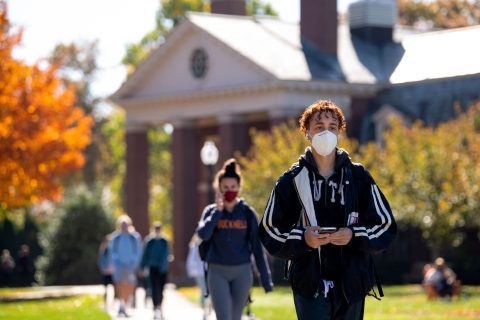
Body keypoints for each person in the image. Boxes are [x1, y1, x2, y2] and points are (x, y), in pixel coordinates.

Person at [258, 100, 397, 320]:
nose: (326, 133)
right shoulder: (291, 180)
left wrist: (354, 235)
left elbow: (385, 225)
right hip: (308, 282)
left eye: (332, 127)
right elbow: (270, 229)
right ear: (306, 132)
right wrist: (304, 239)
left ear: (340, 133)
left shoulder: (359, 176)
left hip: (352, 283)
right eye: (319, 127)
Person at [197, 158, 273, 320]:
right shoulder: (210, 212)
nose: (229, 191)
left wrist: (266, 281)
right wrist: (218, 211)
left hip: (242, 272)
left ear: (239, 188)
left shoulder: (247, 213)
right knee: (224, 317)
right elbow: (203, 234)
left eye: (233, 187)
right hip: (217, 271)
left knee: (235, 317)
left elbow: (257, 248)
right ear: (219, 189)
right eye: (225, 187)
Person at [109, 215, 143, 317]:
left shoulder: (134, 237)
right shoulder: (116, 237)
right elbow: (112, 251)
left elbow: (138, 251)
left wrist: (134, 263)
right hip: (119, 265)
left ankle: (127, 304)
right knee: (119, 284)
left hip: (130, 266)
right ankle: (121, 306)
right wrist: (115, 261)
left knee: (129, 285)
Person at [140, 222, 170, 320]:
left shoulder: (164, 241)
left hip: (162, 269)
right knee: (153, 288)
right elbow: (145, 255)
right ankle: (155, 307)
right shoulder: (149, 241)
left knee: (161, 289)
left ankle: (160, 306)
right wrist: (142, 267)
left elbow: (167, 254)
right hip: (152, 267)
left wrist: (164, 266)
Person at [186, 233, 210, 320]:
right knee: (204, 290)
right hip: (199, 272)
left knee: (210, 290)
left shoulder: (209, 243)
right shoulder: (195, 245)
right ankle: (204, 309)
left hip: (210, 271)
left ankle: (209, 306)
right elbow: (191, 259)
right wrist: (190, 271)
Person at [98, 234, 115, 306]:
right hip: (105, 271)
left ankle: (114, 301)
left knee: (115, 287)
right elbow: (100, 260)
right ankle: (105, 301)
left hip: (113, 271)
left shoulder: (114, 249)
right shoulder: (103, 249)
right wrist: (102, 267)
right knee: (105, 287)